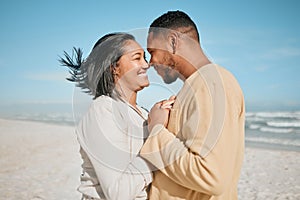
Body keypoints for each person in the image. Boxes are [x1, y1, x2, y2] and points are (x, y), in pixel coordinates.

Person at [140, 11, 245, 199]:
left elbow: (211, 175)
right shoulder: (199, 85)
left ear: (173, 42)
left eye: (152, 52)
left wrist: (156, 130)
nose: (151, 63)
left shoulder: (212, 83)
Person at [59, 33, 164, 200]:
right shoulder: (103, 109)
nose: (146, 64)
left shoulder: (143, 114)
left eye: (145, 57)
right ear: (114, 67)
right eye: (137, 58)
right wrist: (156, 138)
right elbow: (118, 193)